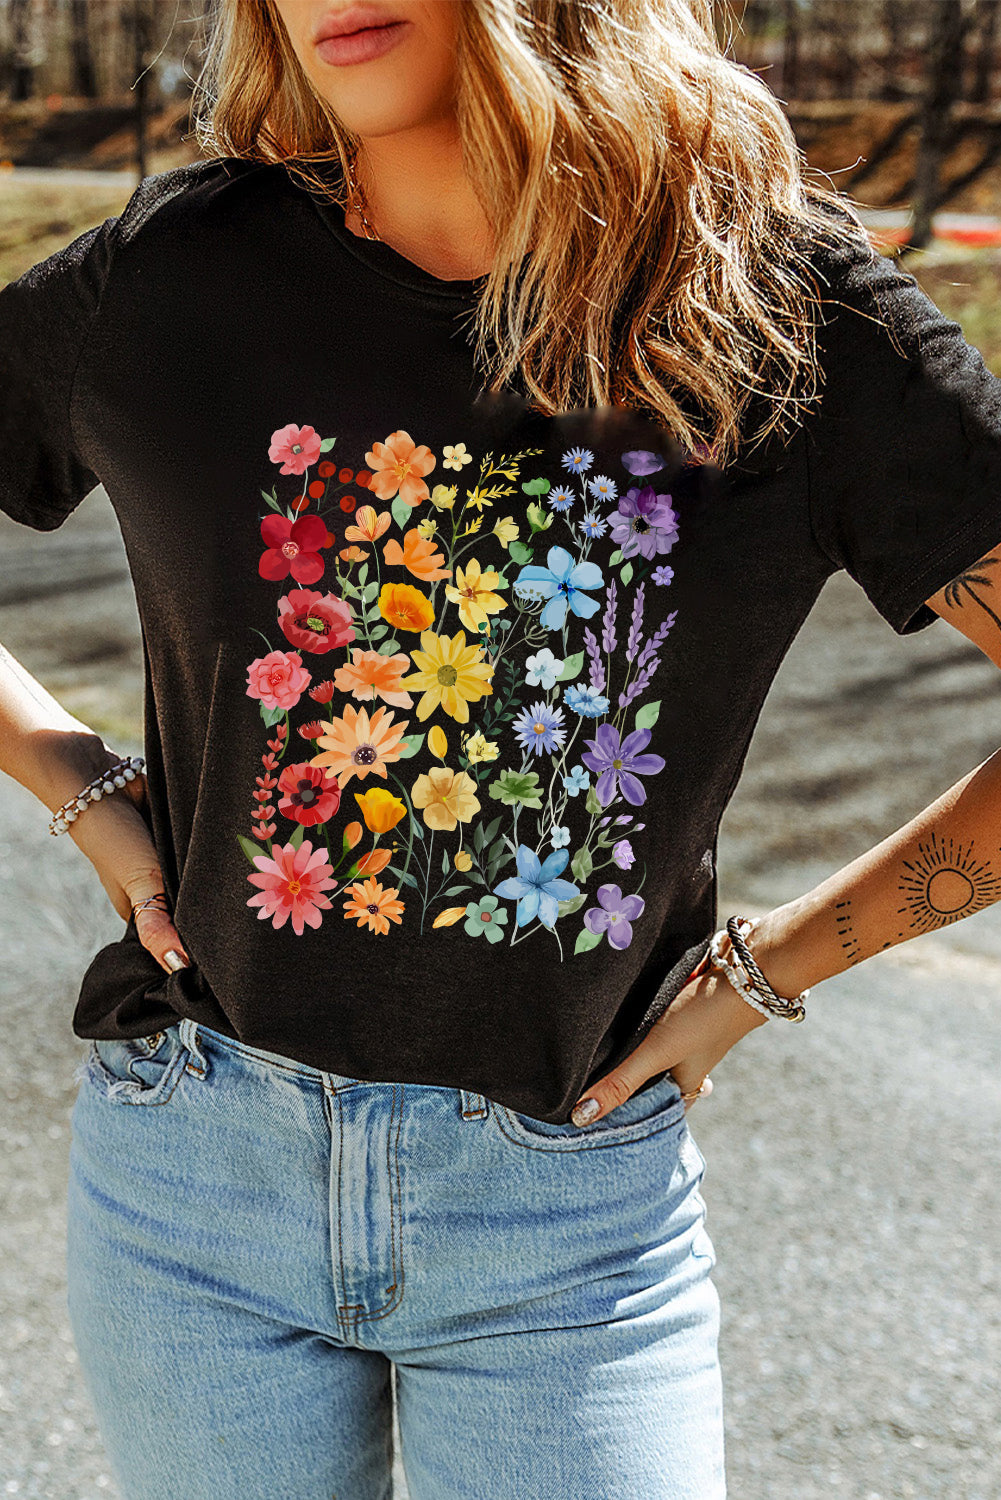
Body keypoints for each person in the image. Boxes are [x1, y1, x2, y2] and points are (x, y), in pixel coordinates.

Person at [2, 1, 1000, 1495]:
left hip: (568, 1225)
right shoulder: (171, 277)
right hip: (193, 1184)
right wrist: (73, 781)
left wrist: (769, 970)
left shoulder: (778, 312)